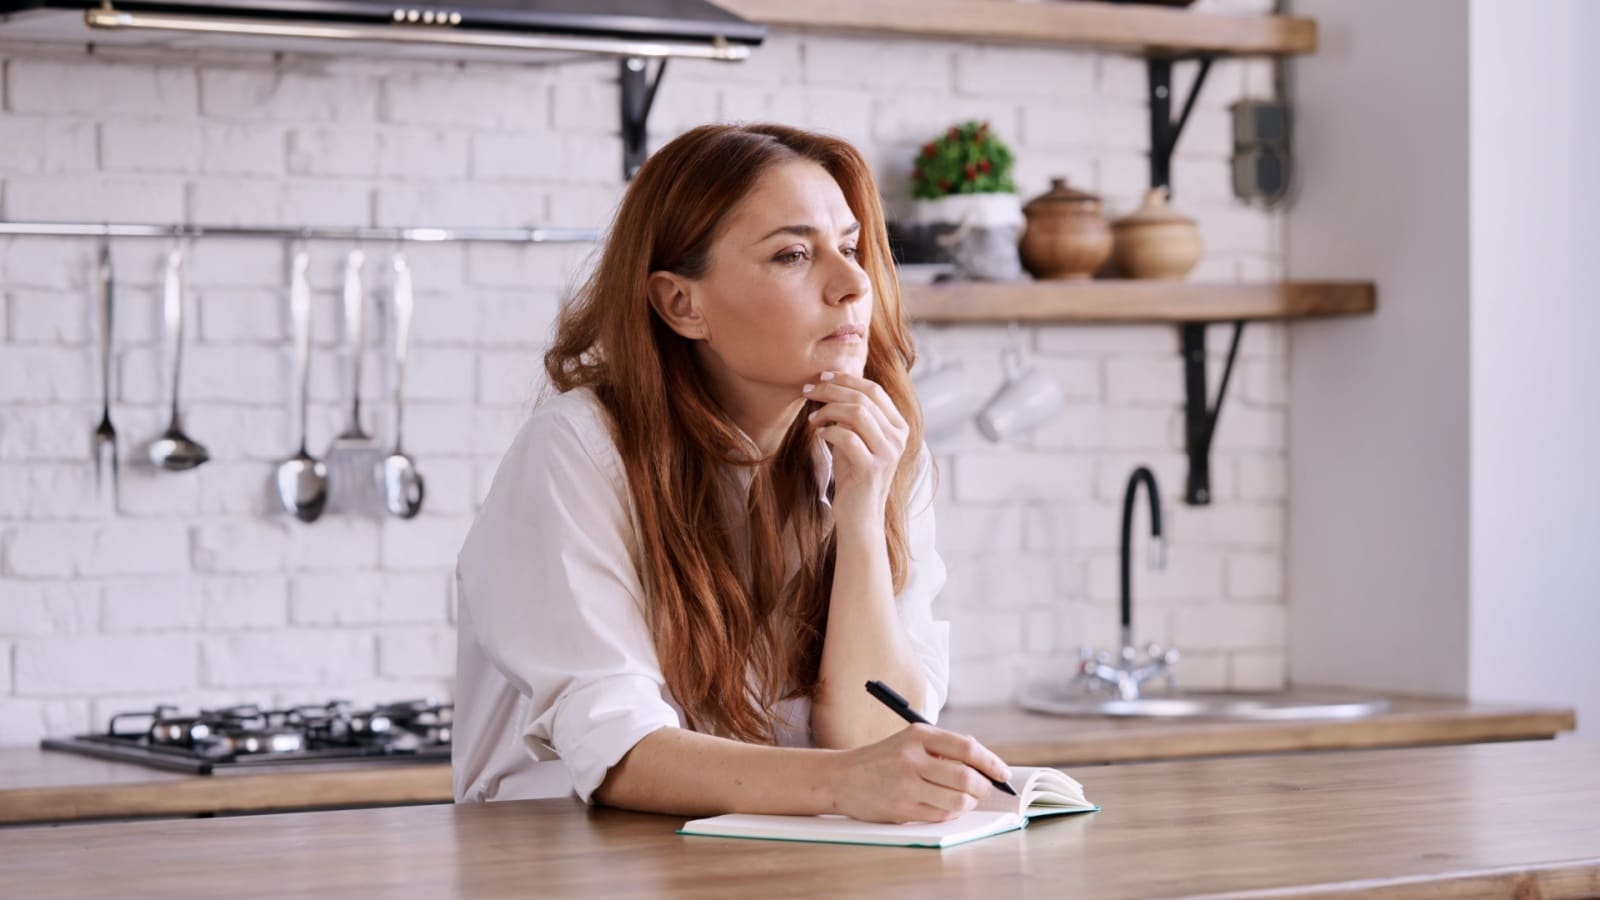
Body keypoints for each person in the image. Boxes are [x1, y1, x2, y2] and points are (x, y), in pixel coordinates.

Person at [453, 123, 1010, 824]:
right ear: (681, 304)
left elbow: (875, 744)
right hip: (564, 856)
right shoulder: (582, 449)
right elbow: (619, 751)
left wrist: (862, 515)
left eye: (848, 247)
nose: (852, 284)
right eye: (792, 255)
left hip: (770, 856)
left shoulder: (878, 448)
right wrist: (838, 785)